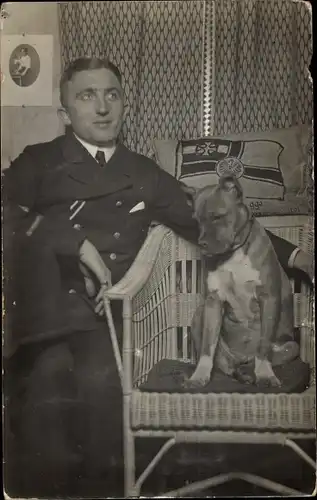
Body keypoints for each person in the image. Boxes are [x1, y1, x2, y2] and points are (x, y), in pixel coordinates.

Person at [3, 57, 313, 497]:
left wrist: (298, 256)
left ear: (125, 104)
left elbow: (217, 225)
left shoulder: (144, 173)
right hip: (45, 315)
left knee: (101, 398)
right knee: (45, 395)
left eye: (112, 94)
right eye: (87, 95)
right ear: (64, 112)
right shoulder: (39, 162)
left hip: (107, 319)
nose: (103, 107)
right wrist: (73, 242)